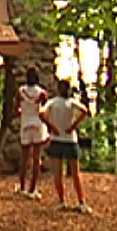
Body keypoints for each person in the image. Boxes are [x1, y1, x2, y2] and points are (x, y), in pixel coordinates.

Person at [42, 79, 91, 213]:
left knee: (58, 173)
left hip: (58, 139)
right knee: (75, 173)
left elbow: (41, 113)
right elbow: (85, 111)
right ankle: (81, 201)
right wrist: (73, 126)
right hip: (69, 139)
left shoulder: (53, 102)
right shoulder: (70, 102)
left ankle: (63, 200)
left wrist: (52, 127)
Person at [15, 68, 49, 199]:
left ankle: (22, 186)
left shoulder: (21, 91)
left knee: (24, 158)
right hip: (38, 124)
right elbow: (44, 109)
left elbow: (16, 107)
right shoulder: (42, 93)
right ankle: (33, 189)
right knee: (36, 159)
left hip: (25, 123)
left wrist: (22, 110)